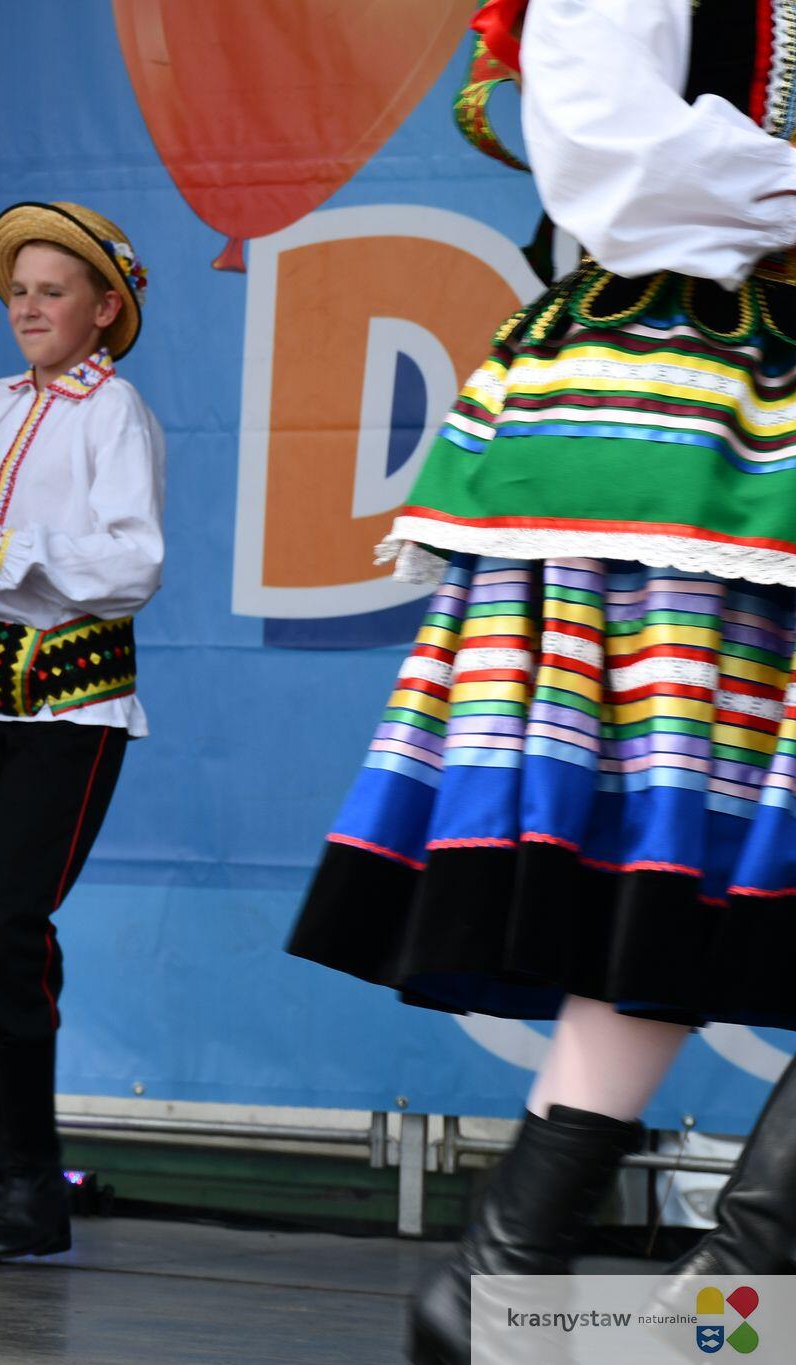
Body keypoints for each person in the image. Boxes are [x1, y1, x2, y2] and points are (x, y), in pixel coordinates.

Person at [280, 2, 796, 1358]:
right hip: (691, 416)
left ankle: (536, 1292)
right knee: (665, 871)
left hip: (734, 432)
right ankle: (604, 1295)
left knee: (687, 877)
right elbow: (620, 163)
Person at [0, 201, 164, 1263]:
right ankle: (11, 1183)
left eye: (53, 291)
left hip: (72, 708)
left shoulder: (114, 412)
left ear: (104, 309)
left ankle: (30, 1185)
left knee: (1, 927)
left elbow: (133, 563)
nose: (29, 307)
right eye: (18, 290)